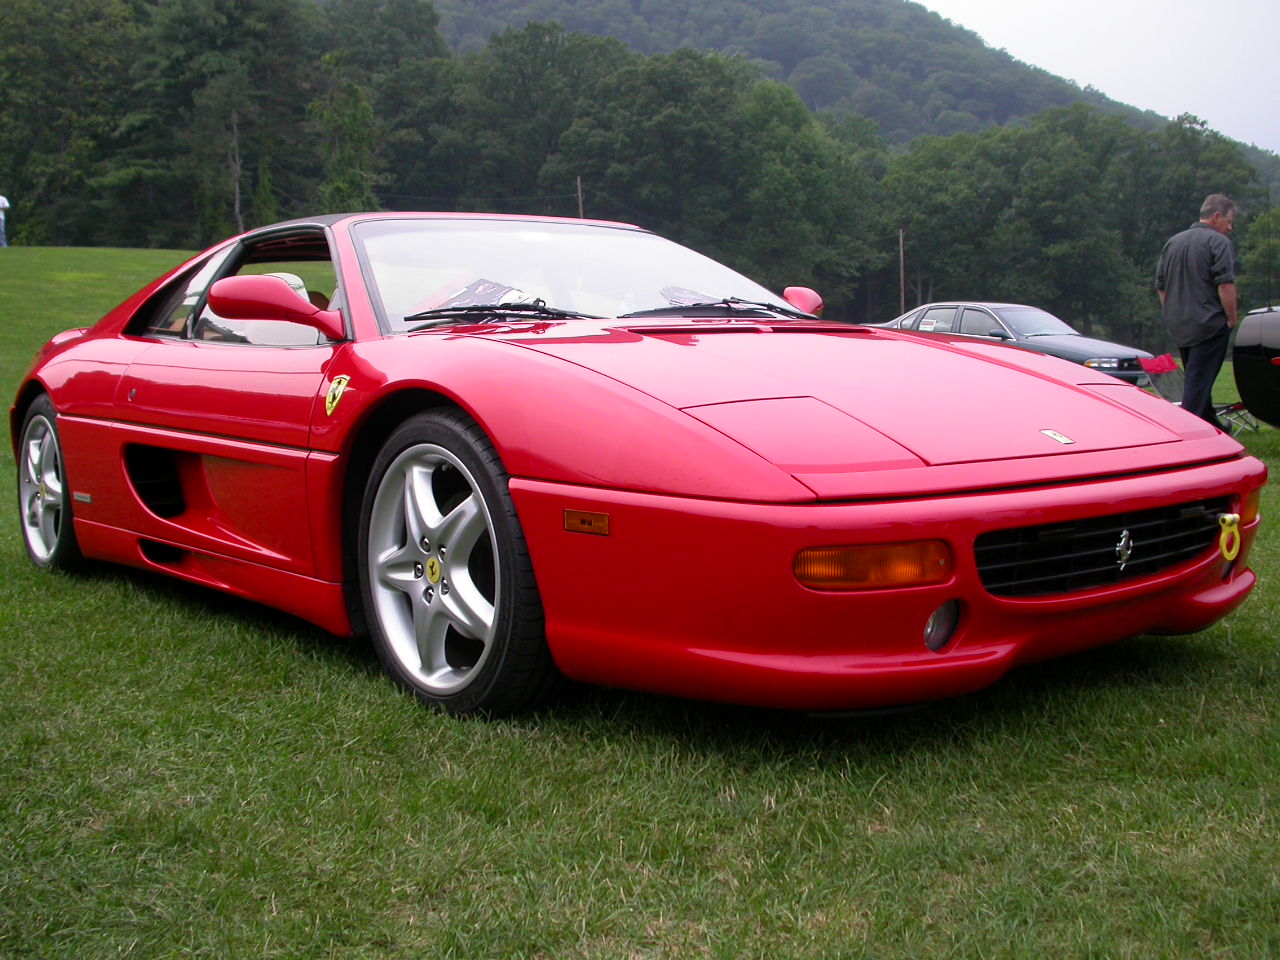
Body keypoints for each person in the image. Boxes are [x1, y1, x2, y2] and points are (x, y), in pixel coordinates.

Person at [1155, 193, 1239, 429]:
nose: (1230, 228)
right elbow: (1225, 284)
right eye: (1229, 221)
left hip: (1179, 324)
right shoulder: (1218, 243)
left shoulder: (1173, 242)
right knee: (1198, 383)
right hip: (1209, 324)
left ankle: (1215, 425)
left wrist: (1172, 312)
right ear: (1216, 216)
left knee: (1197, 376)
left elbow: (1162, 287)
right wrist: (1231, 318)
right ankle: (1188, 432)